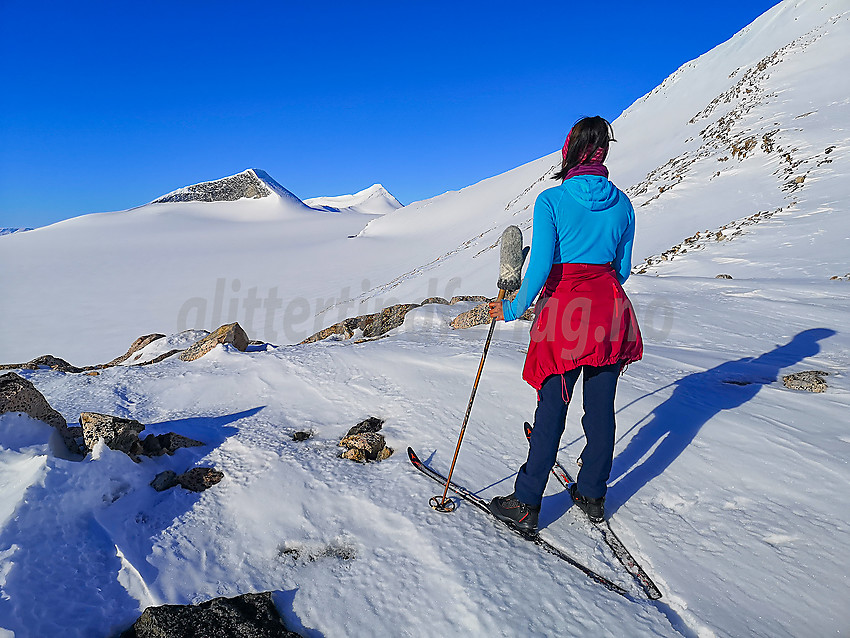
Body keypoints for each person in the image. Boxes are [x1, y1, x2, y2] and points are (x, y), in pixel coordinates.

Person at [487, 116, 643, 534]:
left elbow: (538, 267)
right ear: (603, 153)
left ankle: (526, 502)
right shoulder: (624, 204)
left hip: (565, 316)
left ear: (569, 152)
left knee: (553, 407)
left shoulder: (551, 201)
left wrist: (513, 308)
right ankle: (593, 494)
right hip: (610, 314)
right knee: (600, 410)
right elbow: (623, 270)